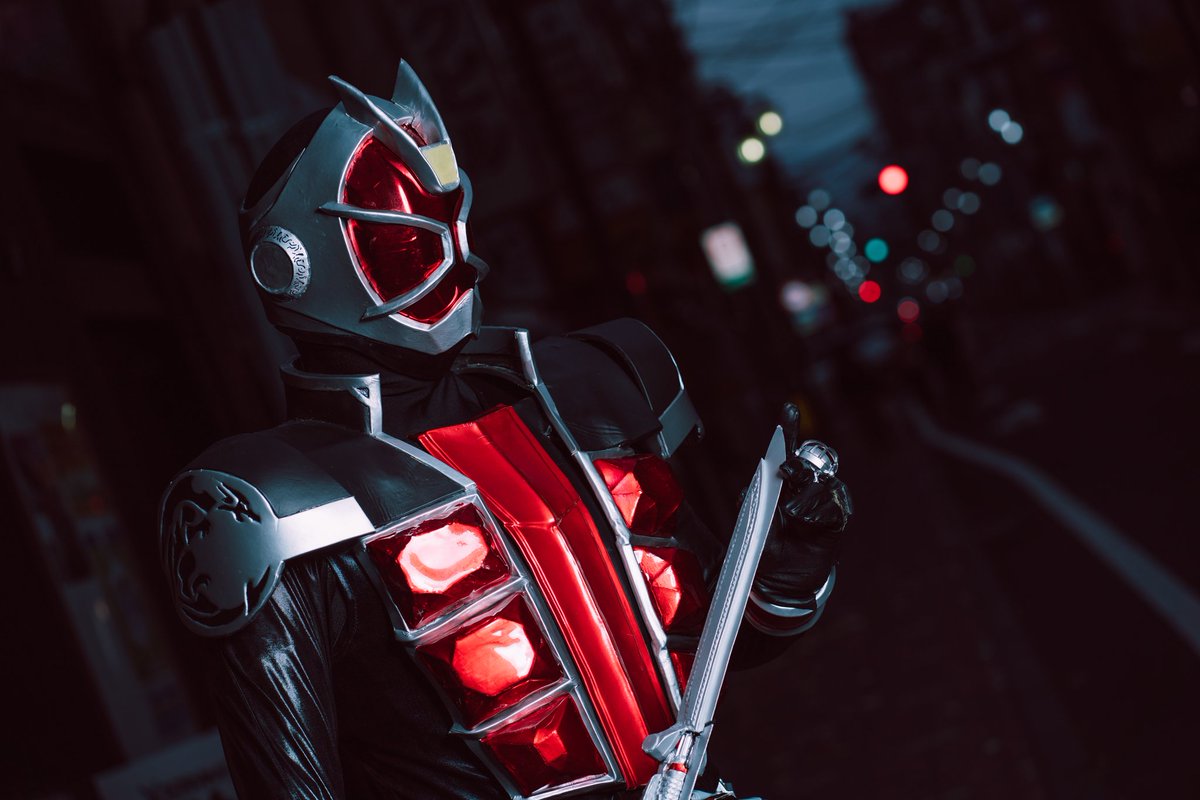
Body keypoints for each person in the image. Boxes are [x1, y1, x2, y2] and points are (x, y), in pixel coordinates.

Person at [159, 62, 851, 800]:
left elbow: (710, 646)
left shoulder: (585, 393)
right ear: (292, 265)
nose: (449, 263)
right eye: (402, 246)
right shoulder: (276, 509)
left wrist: (786, 561)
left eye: (444, 227)